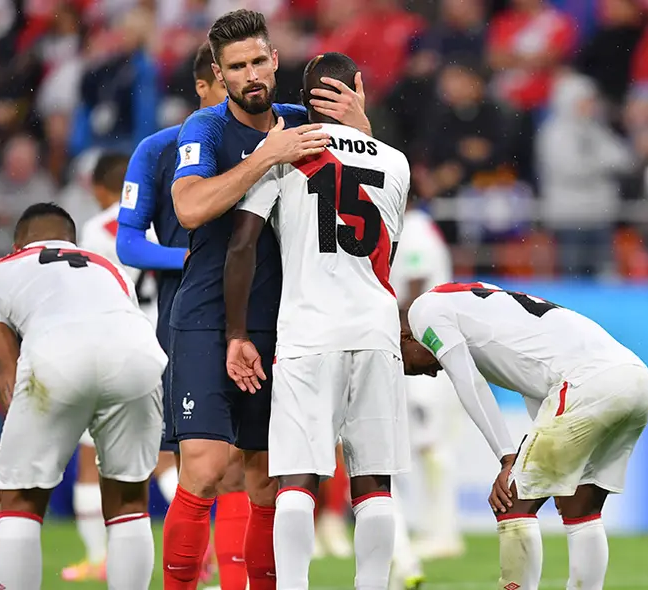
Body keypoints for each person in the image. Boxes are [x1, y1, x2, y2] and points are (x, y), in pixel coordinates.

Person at [161, 11, 370, 589]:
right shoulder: (203, 131)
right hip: (207, 317)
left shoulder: (304, 122)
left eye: (258, 61)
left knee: (264, 480)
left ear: (275, 60)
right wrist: (265, 156)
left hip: (286, 323)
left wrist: (362, 122)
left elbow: (369, 175)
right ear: (219, 75)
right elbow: (189, 208)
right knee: (203, 469)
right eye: (236, 67)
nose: (251, 74)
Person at [223, 52, 411, 590]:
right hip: (375, 331)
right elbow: (386, 252)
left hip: (309, 332)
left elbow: (243, 245)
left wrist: (237, 333)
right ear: (358, 85)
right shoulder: (395, 162)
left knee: (298, 480)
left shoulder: (283, 151)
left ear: (303, 99)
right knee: (374, 481)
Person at [401, 282, 648, 590]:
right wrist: (527, 454)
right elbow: (535, 379)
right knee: (581, 506)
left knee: (511, 501)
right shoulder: (474, 302)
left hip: (587, 383)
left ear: (404, 337)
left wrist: (507, 457)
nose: (430, 373)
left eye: (409, 365)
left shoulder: (423, 313)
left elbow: (468, 383)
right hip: (636, 379)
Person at [0, 203, 168, 590]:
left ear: (18, 244)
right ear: (73, 242)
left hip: (57, 354)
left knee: (21, 502)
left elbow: (5, 370)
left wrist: (12, 466)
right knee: (130, 499)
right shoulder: (107, 267)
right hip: (138, 357)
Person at [118, 42, 248, 588]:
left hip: (260, 319)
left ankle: (237, 580)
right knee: (195, 463)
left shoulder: (267, 140)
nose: (240, 94)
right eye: (228, 82)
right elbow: (128, 242)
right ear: (204, 86)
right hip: (188, 320)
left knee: (246, 465)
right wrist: (188, 255)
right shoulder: (157, 149)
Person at [58, 152, 167, 582]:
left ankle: (98, 556)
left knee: (91, 457)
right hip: (158, 341)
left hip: (111, 343)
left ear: (102, 188)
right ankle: (203, 548)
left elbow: (89, 291)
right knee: (166, 458)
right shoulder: (160, 221)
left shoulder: (95, 227)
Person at [388, 197, 460, 588]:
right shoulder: (419, 227)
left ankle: (443, 532)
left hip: (425, 347)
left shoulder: (413, 231)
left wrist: (380, 313)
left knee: (432, 446)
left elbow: (415, 290)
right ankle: (437, 528)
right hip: (429, 345)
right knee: (426, 445)